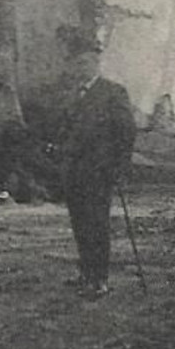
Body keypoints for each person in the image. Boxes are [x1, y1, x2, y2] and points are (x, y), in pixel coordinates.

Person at [57, 25, 138, 298]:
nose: (80, 68)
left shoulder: (113, 93)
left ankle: (100, 279)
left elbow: (126, 133)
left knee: (96, 224)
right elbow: (65, 131)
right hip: (74, 171)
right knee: (80, 223)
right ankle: (85, 274)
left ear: (95, 63)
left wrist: (118, 167)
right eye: (76, 63)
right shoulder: (72, 94)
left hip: (99, 171)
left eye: (86, 63)